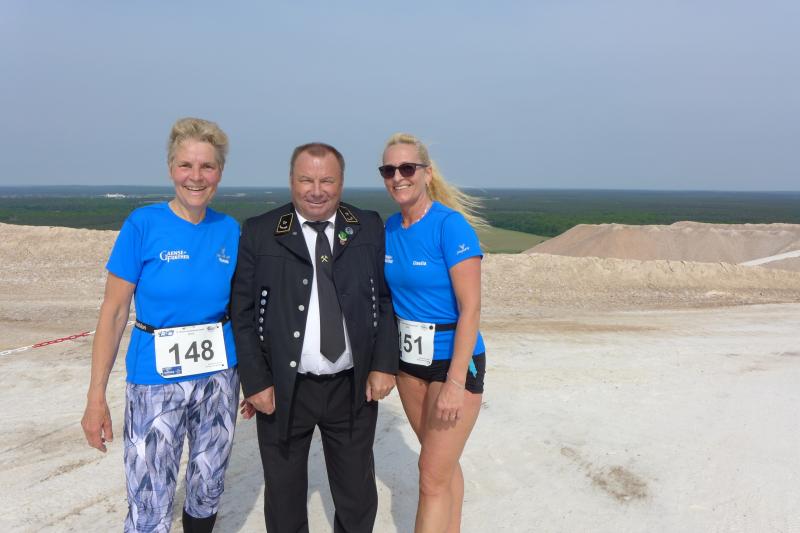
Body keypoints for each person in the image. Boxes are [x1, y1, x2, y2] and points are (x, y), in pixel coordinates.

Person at [80, 117, 240, 533]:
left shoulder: (230, 230)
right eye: (186, 165)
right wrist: (96, 396)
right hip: (155, 380)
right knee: (149, 497)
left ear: (219, 172)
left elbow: (245, 309)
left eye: (207, 166)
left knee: (207, 487)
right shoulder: (142, 225)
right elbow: (114, 312)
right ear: (171, 169)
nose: (196, 176)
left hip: (219, 378)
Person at [231, 142, 399, 533]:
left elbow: (385, 299)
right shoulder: (260, 232)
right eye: (307, 180)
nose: (317, 190)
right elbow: (242, 313)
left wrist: (383, 364)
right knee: (284, 497)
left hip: (352, 387)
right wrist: (255, 382)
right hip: (284, 388)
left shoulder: (367, 226)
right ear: (291, 180)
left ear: (342, 182)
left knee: (357, 495)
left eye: (327, 181)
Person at [379, 133, 487, 533]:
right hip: (410, 364)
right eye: (389, 170)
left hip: (452, 363)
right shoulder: (391, 228)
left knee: (429, 477)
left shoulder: (450, 226)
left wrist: (456, 382)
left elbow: (471, 308)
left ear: (426, 173)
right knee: (441, 466)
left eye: (407, 168)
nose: (398, 177)